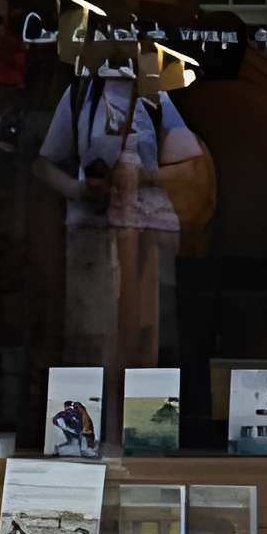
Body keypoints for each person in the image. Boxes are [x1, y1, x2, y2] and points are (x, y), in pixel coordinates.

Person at [34, 58, 207, 378]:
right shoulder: (81, 92)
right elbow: (44, 164)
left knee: (141, 340)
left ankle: (141, 424)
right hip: (92, 234)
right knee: (91, 340)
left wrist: (146, 176)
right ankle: (93, 421)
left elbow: (190, 165)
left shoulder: (153, 96)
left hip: (145, 234)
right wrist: (79, 189)